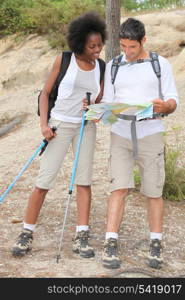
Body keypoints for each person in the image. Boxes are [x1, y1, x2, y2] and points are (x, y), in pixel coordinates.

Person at [11, 11, 107, 258]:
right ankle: (26, 232)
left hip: (86, 127)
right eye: (92, 46)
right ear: (79, 44)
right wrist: (44, 125)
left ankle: (82, 236)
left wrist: (95, 110)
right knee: (44, 181)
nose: (97, 49)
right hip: (59, 125)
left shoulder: (101, 67)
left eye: (99, 44)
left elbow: (99, 101)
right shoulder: (64, 60)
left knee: (84, 181)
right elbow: (44, 94)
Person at [101, 17, 178, 269]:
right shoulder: (113, 66)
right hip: (121, 132)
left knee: (153, 191)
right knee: (118, 188)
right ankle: (110, 242)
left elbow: (172, 100)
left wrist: (166, 106)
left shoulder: (160, 64)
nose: (127, 52)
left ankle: (156, 243)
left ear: (143, 40)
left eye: (131, 47)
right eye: (123, 46)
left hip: (150, 132)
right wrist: (100, 113)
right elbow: (109, 103)